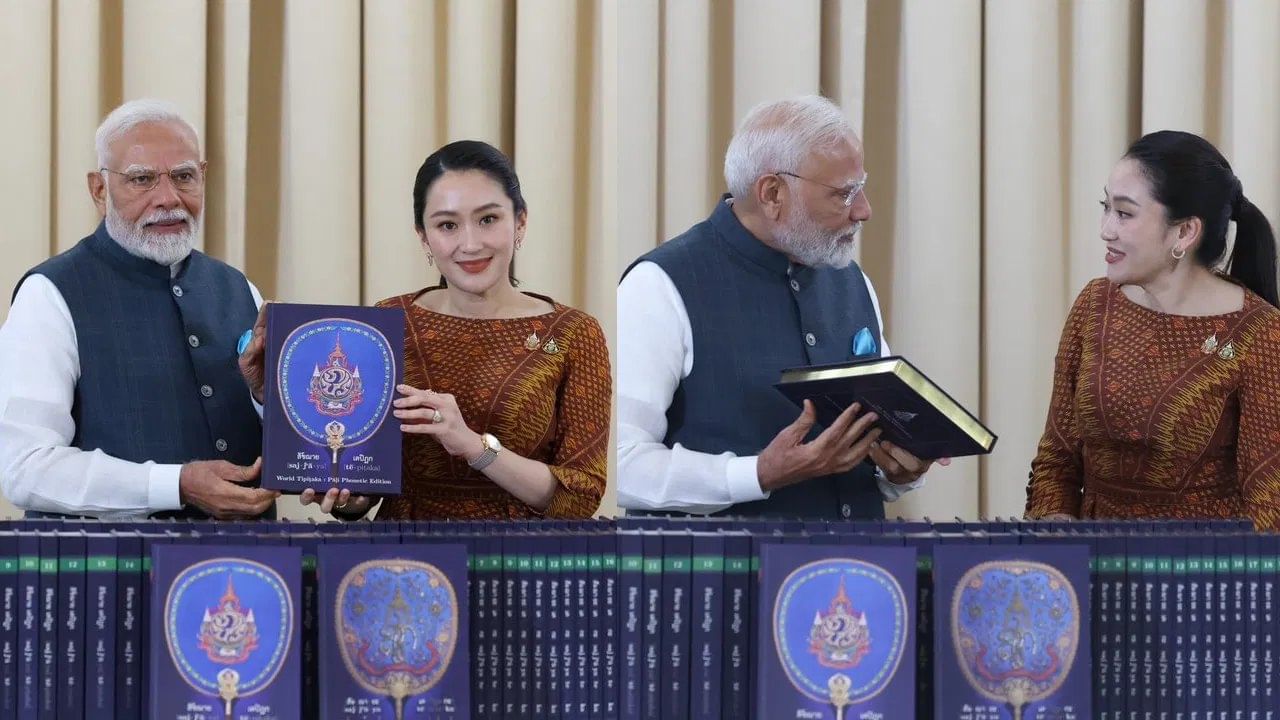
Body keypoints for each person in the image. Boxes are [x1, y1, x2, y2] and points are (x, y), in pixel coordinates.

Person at [616, 95, 942, 519]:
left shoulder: (852, 281)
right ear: (772, 193)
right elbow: (621, 465)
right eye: (844, 194)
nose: (864, 211)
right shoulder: (659, 285)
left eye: (861, 188)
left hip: (857, 559)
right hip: (726, 564)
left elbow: (873, 444)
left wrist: (899, 471)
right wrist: (757, 474)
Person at [284, 140, 610, 520]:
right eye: (447, 225)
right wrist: (346, 497)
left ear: (520, 221)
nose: (470, 244)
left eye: (488, 219)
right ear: (424, 236)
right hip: (401, 551)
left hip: (517, 554)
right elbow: (369, 481)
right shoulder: (387, 322)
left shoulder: (573, 334)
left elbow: (581, 497)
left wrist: (473, 446)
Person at [0, 98, 278, 520]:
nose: (168, 198)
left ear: (203, 177)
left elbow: (280, 437)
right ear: (99, 190)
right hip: (111, 560)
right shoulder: (50, 294)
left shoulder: (240, 289)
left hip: (248, 557)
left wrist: (264, 399)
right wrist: (175, 485)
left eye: (184, 176)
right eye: (142, 179)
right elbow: (26, 467)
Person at [1025, 130, 1280, 531]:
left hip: (1197, 566)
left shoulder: (1259, 334)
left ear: (1185, 232)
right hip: (1089, 557)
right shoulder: (1094, 304)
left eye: (1125, 214)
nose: (1106, 229)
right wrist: (1061, 534)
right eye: (1106, 208)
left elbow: (1269, 507)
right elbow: (1056, 460)